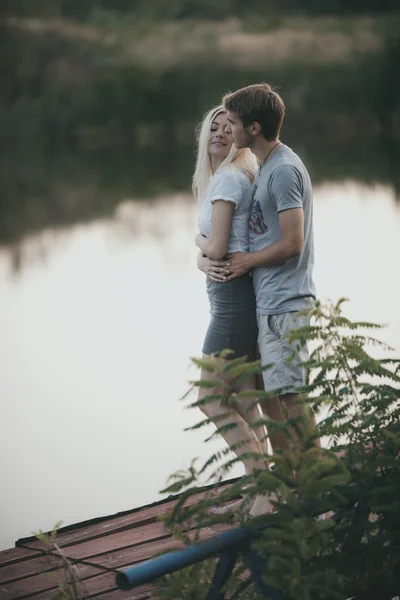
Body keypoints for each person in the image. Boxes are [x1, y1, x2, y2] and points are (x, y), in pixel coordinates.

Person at [198, 84, 318, 514]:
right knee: (272, 401)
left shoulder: (283, 170)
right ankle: (282, 493)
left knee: (290, 402)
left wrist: (246, 261)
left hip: (286, 302)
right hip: (267, 303)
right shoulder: (265, 168)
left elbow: (293, 243)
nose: (227, 129)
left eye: (232, 122)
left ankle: (317, 500)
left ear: (253, 127)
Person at [193, 104, 269, 513]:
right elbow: (219, 248)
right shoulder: (226, 178)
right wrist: (203, 257)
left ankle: (265, 489)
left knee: (210, 398)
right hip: (232, 297)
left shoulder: (229, 181)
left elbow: (218, 246)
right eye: (213, 127)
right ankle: (263, 492)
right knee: (242, 398)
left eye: (227, 127)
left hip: (231, 304)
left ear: (239, 134)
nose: (220, 133)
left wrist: (197, 246)